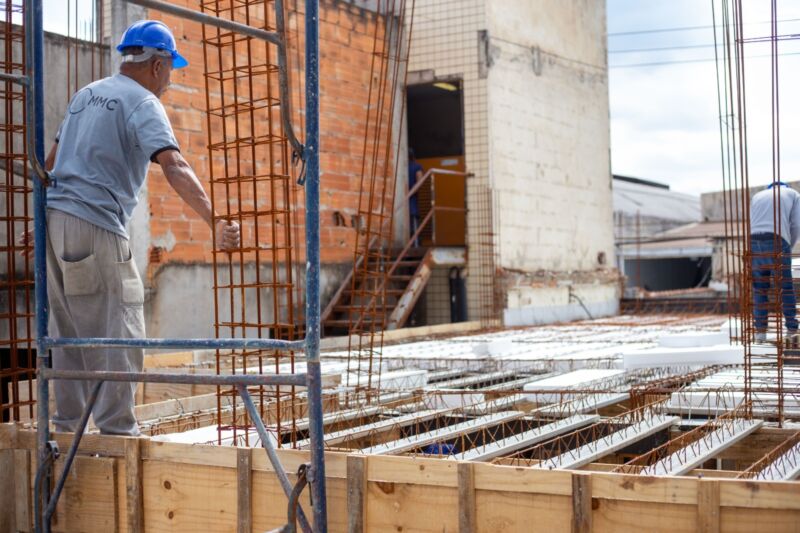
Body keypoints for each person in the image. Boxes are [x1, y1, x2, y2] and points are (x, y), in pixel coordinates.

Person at [18, 20, 240, 435]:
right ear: (157, 65)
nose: (170, 79)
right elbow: (174, 165)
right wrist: (215, 221)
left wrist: (40, 218)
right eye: (170, 68)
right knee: (118, 327)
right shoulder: (143, 103)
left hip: (56, 223)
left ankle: (66, 431)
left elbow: (51, 160)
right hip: (96, 226)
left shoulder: (86, 94)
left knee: (67, 333)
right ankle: (119, 433)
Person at [750, 181, 800, 344]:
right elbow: (797, 225)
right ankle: (792, 329)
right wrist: (788, 246)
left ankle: (760, 334)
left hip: (754, 241)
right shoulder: (793, 194)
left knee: (760, 289)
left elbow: (753, 222)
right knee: (784, 287)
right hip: (777, 239)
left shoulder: (757, 196)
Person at [408, 149, 423, 246]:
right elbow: (420, 182)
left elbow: (419, 182)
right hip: (410, 201)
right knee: (413, 226)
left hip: (409, 201)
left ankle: (415, 246)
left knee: (412, 226)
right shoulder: (417, 167)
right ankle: (415, 246)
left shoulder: (413, 167)